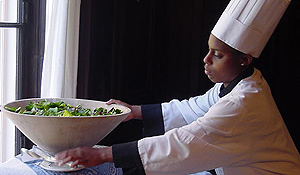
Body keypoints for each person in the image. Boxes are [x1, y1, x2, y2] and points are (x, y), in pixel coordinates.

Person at [55, 0, 300, 174]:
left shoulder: (244, 103)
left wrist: (102, 155)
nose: (206, 60)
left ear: (244, 60)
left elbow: (185, 141)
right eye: (208, 51)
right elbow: (192, 109)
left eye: (217, 55)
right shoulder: (238, 84)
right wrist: (134, 111)